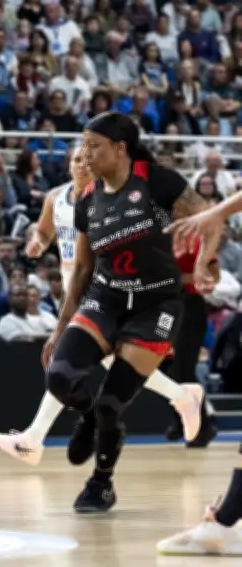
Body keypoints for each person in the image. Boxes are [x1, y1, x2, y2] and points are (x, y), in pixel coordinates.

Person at [40, 111, 218, 514]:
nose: (84, 154)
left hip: (157, 304)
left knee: (110, 405)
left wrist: (207, 257)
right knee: (60, 378)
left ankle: (101, 483)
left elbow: (209, 219)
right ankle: (85, 418)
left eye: (93, 145)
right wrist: (59, 328)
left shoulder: (156, 181)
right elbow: (84, 268)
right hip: (107, 298)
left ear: (119, 149)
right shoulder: (87, 199)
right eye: (82, 145)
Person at [0, 146, 205, 466]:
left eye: (89, 159)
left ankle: (33, 438)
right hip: (72, 286)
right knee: (101, 363)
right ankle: (182, 396)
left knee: (83, 361)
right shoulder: (55, 198)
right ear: (69, 164)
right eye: (77, 159)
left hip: (104, 287)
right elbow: (44, 234)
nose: (83, 164)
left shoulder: (114, 199)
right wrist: (36, 243)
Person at [157, 192, 242, 555]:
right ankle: (227, 519)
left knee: (185, 367)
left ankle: (226, 521)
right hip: (169, 303)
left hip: (189, 305)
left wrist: (217, 213)